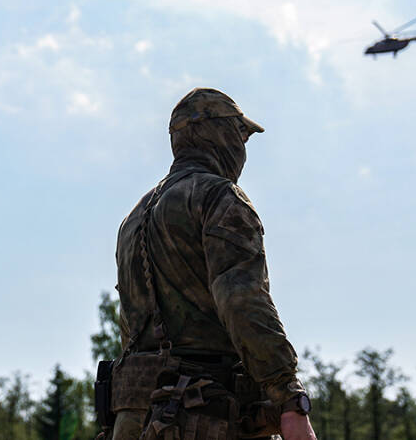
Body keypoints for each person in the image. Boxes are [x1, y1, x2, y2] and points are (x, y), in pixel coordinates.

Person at [111, 88, 317, 440]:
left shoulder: (133, 219)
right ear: (220, 134)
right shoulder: (218, 198)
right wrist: (289, 398)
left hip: (134, 420)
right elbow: (242, 299)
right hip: (200, 415)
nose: (243, 148)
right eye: (241, 134)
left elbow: (130, 327)